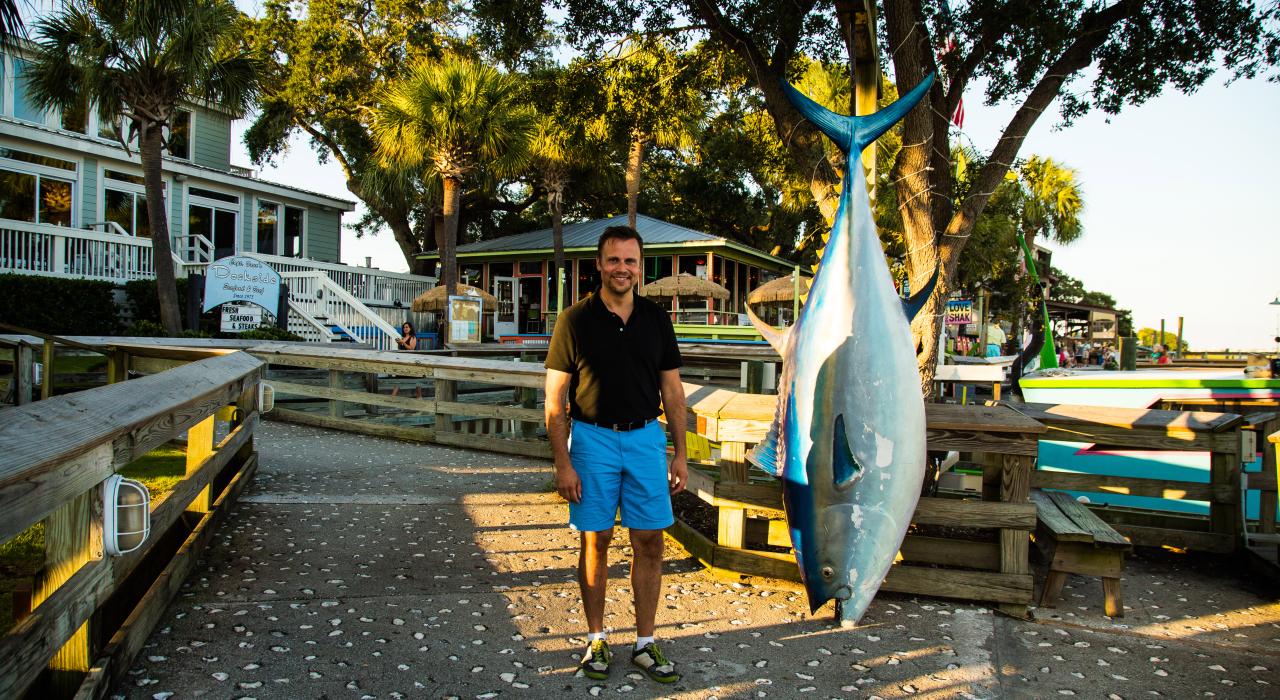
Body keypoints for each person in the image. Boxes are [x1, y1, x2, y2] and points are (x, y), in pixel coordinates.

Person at [544, 226, 687, 685]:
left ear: (639, 268)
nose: (621, 268)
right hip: (592, 441)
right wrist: (563, 463)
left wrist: (680, 453)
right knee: (596, 539)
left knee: (650, 541)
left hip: (646, 439)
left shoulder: (656, 319)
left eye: (630, 261)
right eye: (613, 260)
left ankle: (645, 643)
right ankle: (596, 638)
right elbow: (554, 399)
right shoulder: (574, 320)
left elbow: (673, 391)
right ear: (599, 264)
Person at [391, 322, 421, 399]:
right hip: (403, 361)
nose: (405, 328)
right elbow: (401, 349)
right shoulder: (403, 338)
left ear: (410, 328)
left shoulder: (413, 337)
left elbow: (411, 348)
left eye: (407, 327)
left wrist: (403, 343)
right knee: (398, 379)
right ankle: (392, 397)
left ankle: (419, 397)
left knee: (416, 380)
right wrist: (399, 343)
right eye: (404, 327)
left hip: (411, 362)